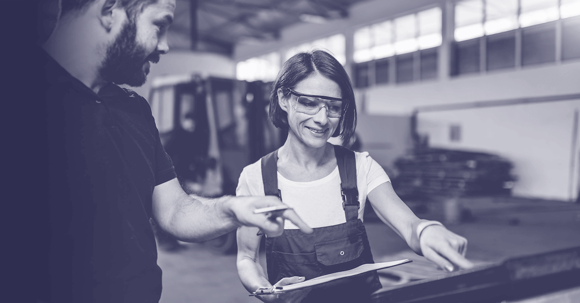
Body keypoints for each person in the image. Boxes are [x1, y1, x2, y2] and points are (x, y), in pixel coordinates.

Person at [18, 0, 314, 302]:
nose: (165, 46)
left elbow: (173, 210)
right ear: (109, 10)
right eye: (159, 25)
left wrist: (233, 209)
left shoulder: (133, 108)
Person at [235, 50, 474, 303]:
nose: (322, 119)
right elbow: (246, 258)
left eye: (334, 107)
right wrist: (266, 291)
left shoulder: (361, 167)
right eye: (309, 103)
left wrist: (427, 231)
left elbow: (409, 225)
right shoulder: (256, 178)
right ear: (284, 98)